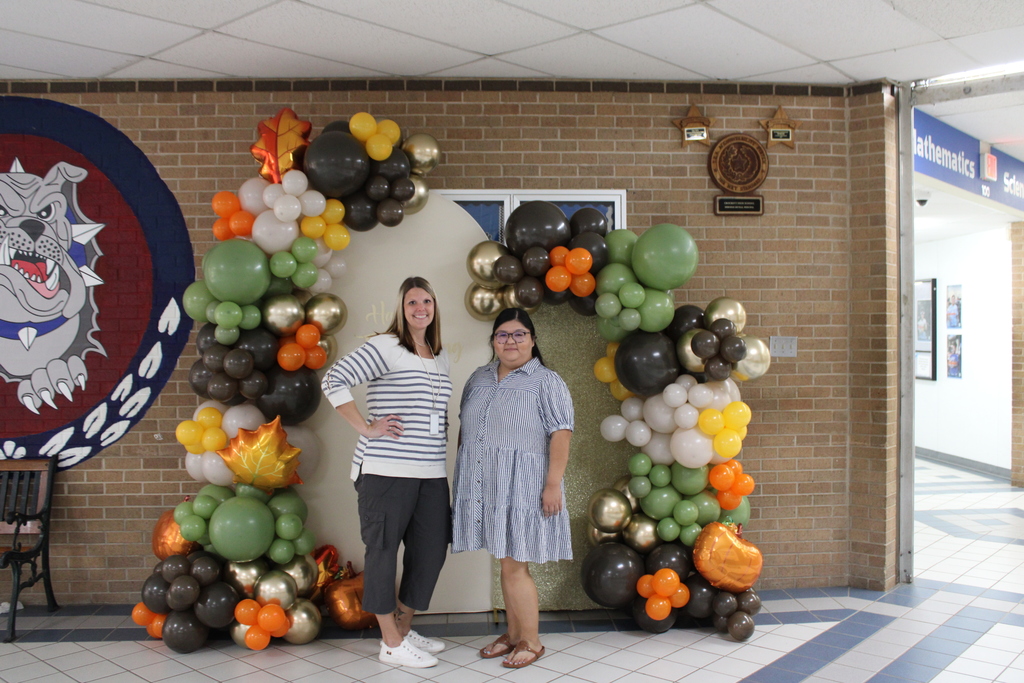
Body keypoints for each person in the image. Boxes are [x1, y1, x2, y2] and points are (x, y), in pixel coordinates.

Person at [320, 277, 452, 669]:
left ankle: (403, 628)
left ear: (434, 307)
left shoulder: (439, 354)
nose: (420, 309)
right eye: (412, 302)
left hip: (431, 472)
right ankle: (390, 643)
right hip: (386, 471)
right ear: (401, 308)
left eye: (426, 301)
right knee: (382, 552)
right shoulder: (386, 346)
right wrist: (365, 427)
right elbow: (333, 379)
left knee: (430, 551)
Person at [451, 307, 574, 669]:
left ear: (532, 340)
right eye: (503, 334)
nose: (511, 341)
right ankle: (514, 633)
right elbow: (465, 431)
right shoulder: (478, 377)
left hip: (523, 486)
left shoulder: (546, 381)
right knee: (505, 560)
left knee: (514, 564)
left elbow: (562, 434)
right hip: (486, 485)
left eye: (519, 334)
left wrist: (553, 484)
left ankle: (531, 641)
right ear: (493, 341)